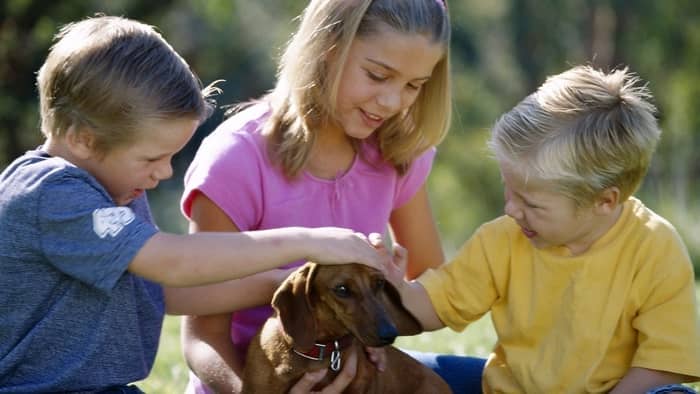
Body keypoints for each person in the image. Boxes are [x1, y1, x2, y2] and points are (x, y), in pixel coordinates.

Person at [0, 15, 390, 394]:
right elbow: (173, 263)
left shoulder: (114, 192)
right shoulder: (50, 193)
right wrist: (307, 241)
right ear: (83, 138)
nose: (165, 172)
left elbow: (165, 291)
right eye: (151, 158)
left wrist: (296, 287)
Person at [178, 0, 478, 393]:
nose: (391, 102)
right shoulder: (237, 159)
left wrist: (391, 287)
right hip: (252, 382)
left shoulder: (398, 149)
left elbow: (428, 286)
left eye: (413, 86)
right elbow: (201, 338)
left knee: (511, 382)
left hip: (353, 371)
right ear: (326, 50)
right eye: (376, 75)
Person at [385, 65, 700, 393]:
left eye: (531, 204)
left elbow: (663, 365)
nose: (510, 209)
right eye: (509, 190)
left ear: (605, 201)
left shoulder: (654, 248)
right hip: (510, 389)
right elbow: (439, 302)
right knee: (401, 366)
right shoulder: (504, 237)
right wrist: (395, 290)